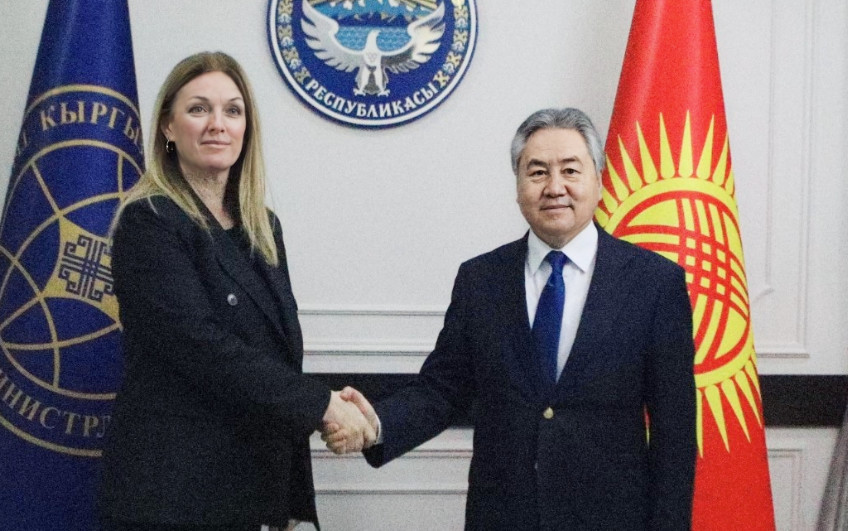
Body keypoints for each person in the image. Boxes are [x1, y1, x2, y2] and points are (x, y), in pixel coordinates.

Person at [325, 108, 697, 529]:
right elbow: (442, 390)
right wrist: (375, 424)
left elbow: (674, 433)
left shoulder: (654, 283)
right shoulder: (480, 279)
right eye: (537, 172)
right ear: (518, 186)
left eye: (570, 170)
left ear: (598, 180)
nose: (554, 187)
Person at [99, 51, 373, 531]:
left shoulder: (262, 227)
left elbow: (277, 355)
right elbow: (201, 348)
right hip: (172, 494)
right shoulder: (149, 222)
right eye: (198, 109)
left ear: (247, 127)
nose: (217, 125)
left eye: (232, 110)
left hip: (250, 488)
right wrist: (322, 405)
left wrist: (287, 498)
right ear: (167, 127)